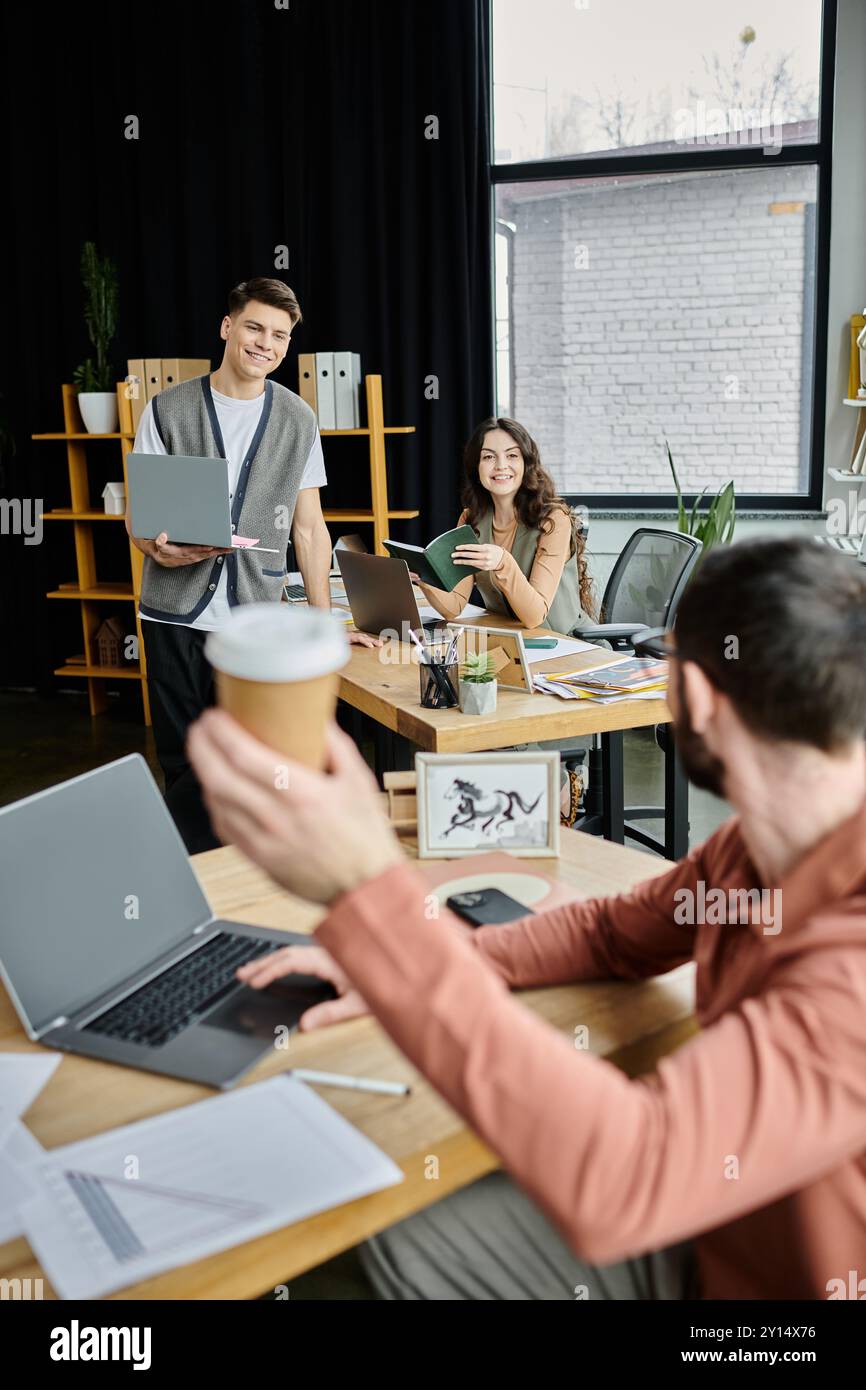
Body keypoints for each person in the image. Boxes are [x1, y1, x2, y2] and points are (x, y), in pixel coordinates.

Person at [187, 537, 866, 1301]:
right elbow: (611, 931)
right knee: (399, 1233)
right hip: (710, 1230)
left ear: (699, 699)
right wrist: (397, 951)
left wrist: (368, 894)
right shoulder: (760, 847)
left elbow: (627, 1177)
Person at [126, 276, 379, 853]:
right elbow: (140, 522)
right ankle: (202, 881)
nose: (266, 343)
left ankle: (232, 877)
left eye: (280, 335)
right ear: (228, 327)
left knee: (248, 759)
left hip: (254, 624)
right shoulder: (167, 409)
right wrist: (156, 549)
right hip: (173, 615)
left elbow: (310, 529)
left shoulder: (298, 419)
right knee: (183, 758)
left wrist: (324, 624)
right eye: (255, 327)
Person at [416, 417, 595, 633]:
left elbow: (535, 616)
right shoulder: (470, 520)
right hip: (511, 643)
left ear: (526, 464)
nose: (501, 465)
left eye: (512, 455)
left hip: (566, 643)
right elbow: (454, 605)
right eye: (489, 456)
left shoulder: (553, 520)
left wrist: (503, 562)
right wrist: (425, 578)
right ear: (477, 466)